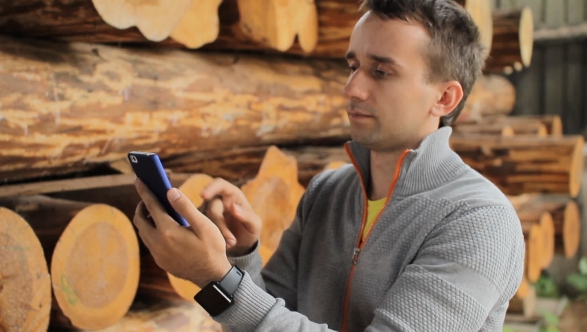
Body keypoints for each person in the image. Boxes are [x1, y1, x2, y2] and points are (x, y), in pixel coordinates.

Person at [132, 0, 525, 330]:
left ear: (444, 98)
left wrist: (214, 278)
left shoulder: (479, 222)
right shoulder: (326, 193)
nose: (352, 88)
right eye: (353, 65)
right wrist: (241, 253)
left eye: (381, 71)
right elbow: (269, 316)